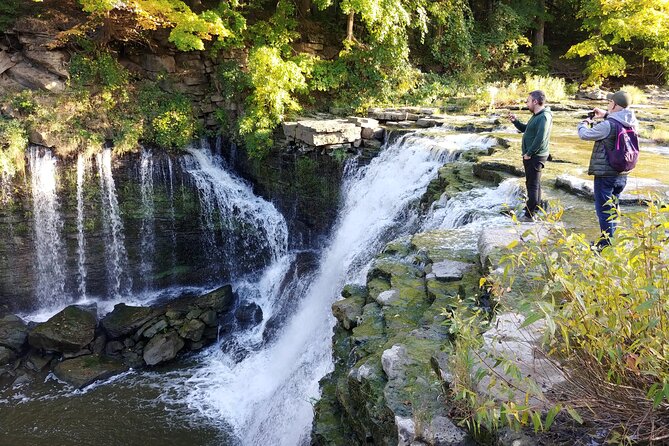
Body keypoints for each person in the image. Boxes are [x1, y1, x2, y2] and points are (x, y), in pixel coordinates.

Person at [578, 90, 638, 248]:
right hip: (623, 173)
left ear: (615, 105)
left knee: (604, 210)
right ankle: (611, 240)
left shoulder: (607, 125)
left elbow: (585, 135)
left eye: (610, 102)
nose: (608, 104)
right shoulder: (632, 122)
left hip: (606, 174)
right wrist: (605, 114)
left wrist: (584, 122)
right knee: (613, 207)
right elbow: (617, 120)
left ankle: (606, 245)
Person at [508, 90, 553, 222]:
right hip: (533, 155)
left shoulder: (544, 117)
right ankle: (534, 210)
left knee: (532, 185)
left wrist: (529, 153)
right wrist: (515, 121)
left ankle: (529, 215)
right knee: (535, 184)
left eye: (528, 101)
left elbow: (541, 138)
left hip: (535, 156)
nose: (526, 104)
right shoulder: (537, 115)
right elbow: (526, 129)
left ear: (535, 101)